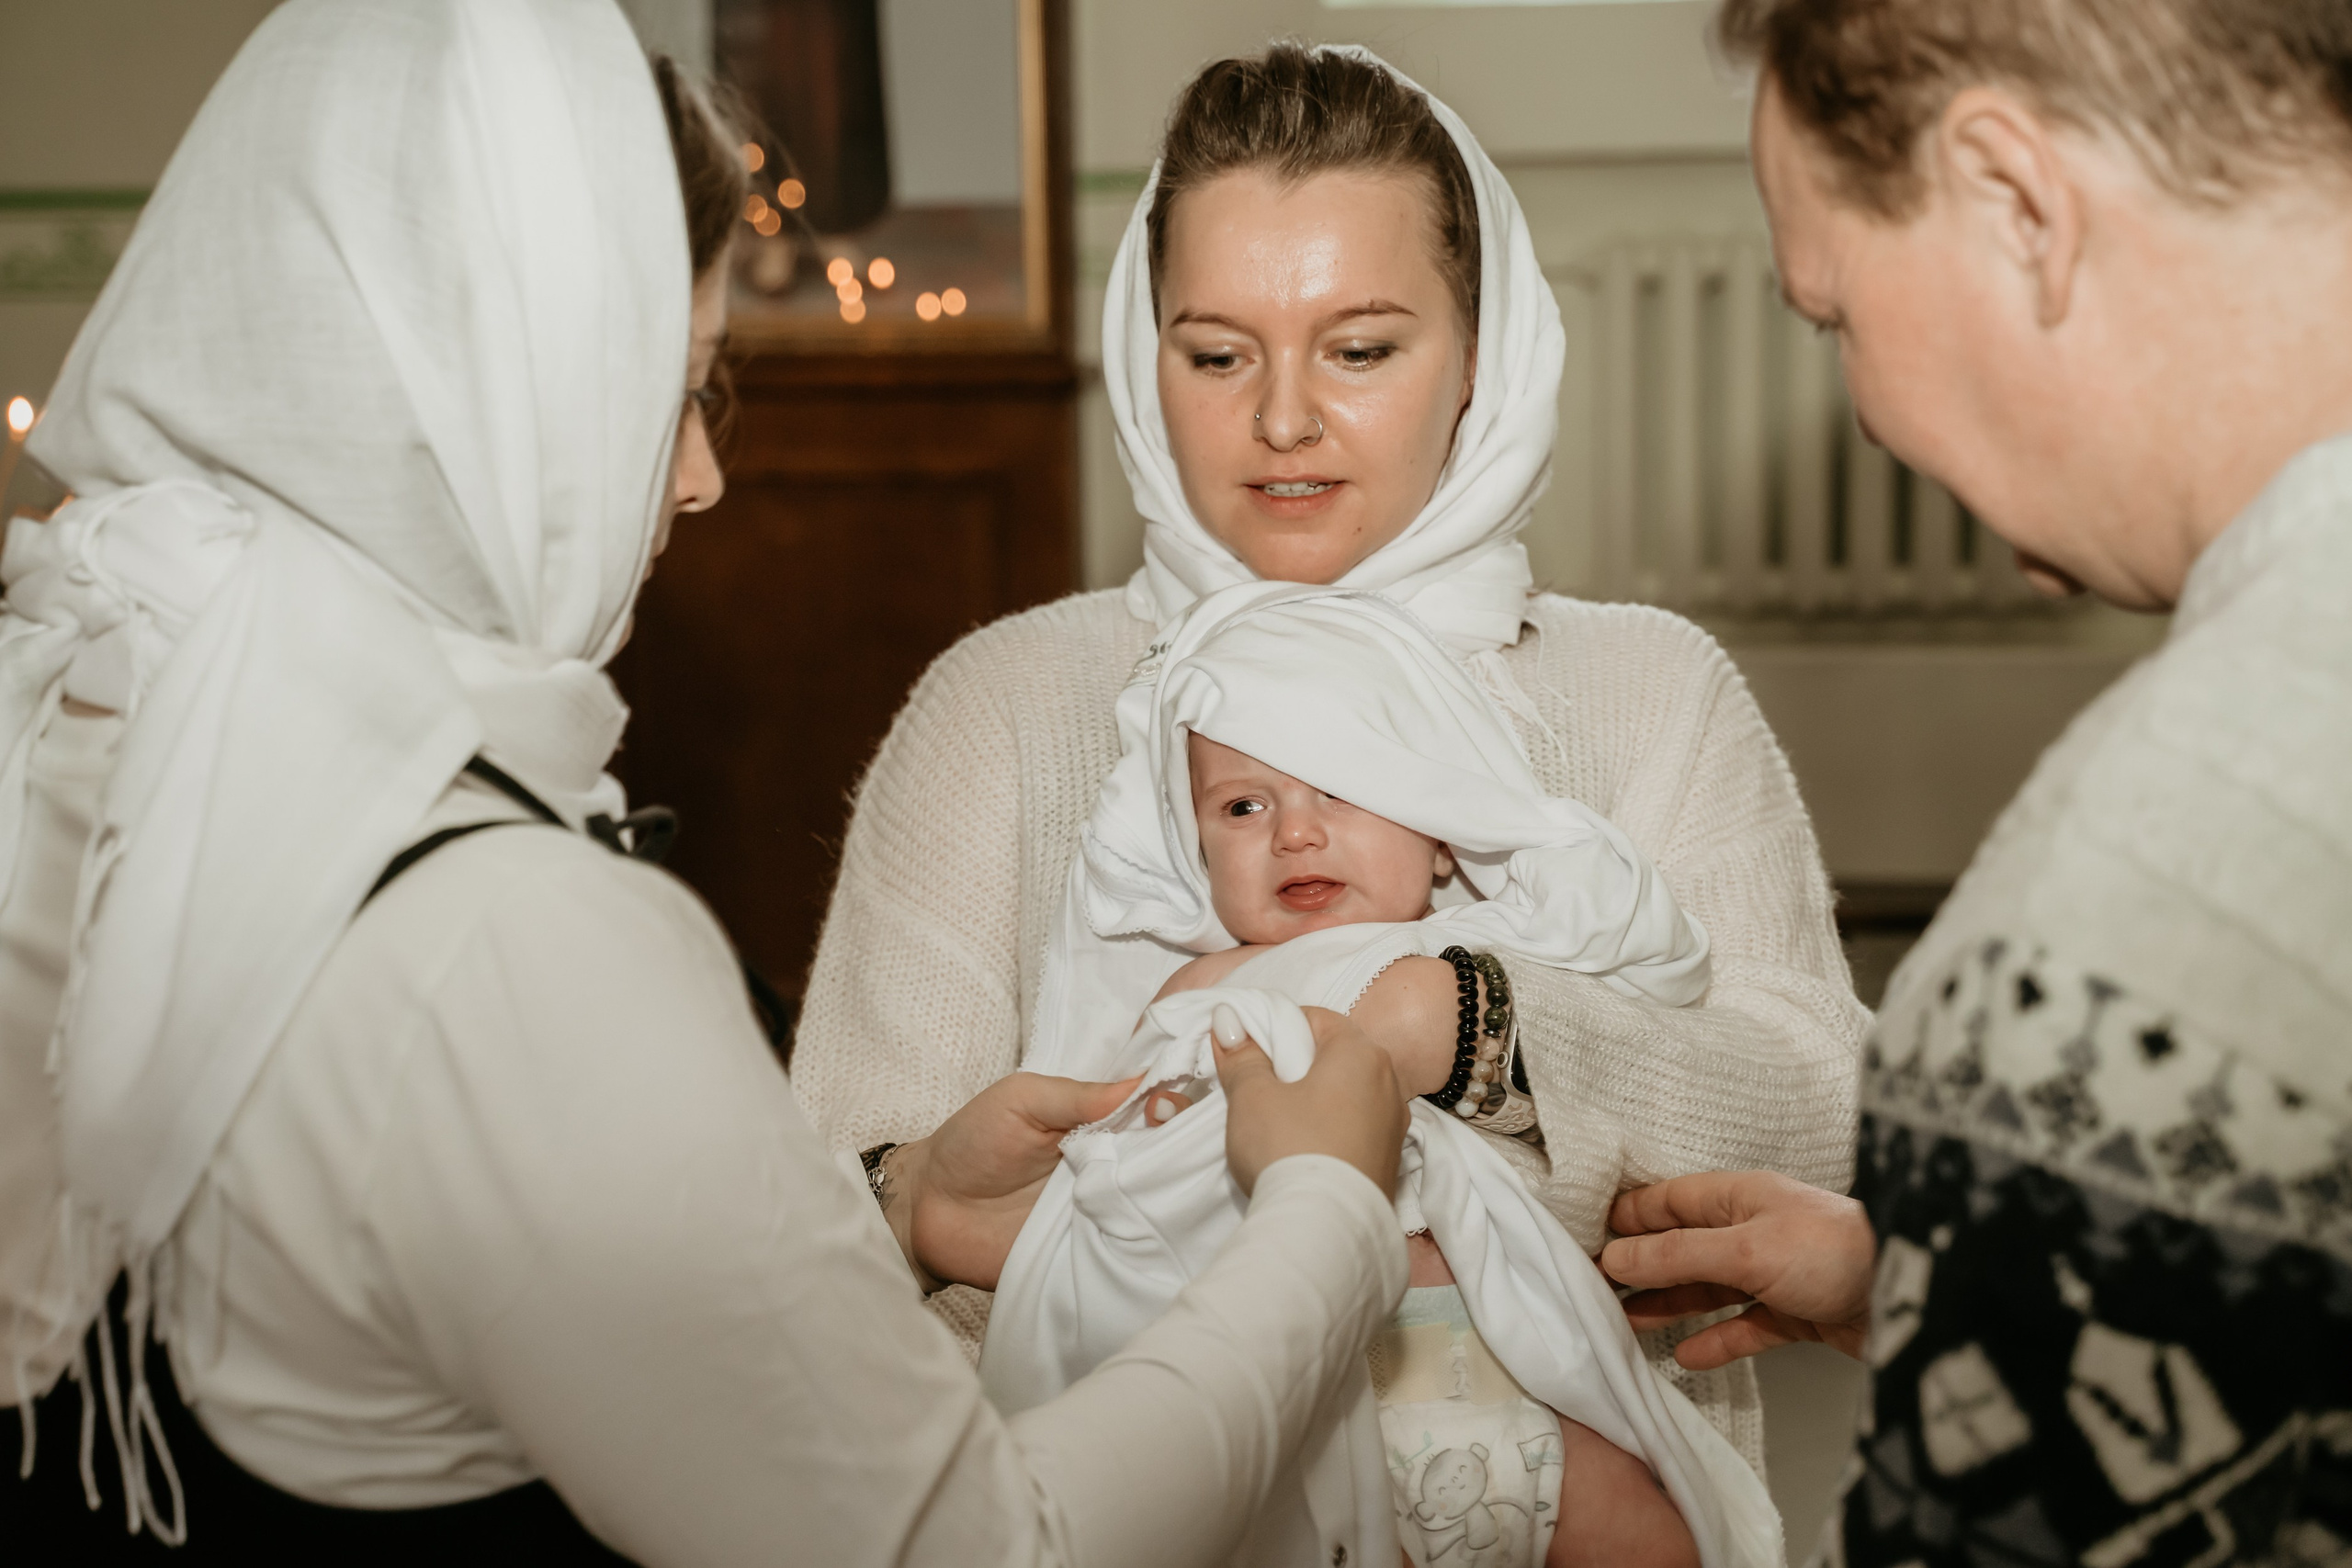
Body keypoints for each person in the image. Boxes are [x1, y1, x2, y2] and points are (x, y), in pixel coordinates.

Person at [0, 4, 1419, 1562]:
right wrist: (1322, 1217)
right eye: (668, 389)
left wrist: (888, 1206)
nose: (701, 473)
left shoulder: (81, 702)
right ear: (487, 397)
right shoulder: (509, 947)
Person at [791, 40, 1870, 1478]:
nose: (1283, 418)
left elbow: (1823, 1116)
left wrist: (1466, 1017)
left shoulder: (1649, 688)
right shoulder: (1002, 703)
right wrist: (923, 1196)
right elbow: (812, 1222)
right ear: (1141, 357)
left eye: (1359, 348)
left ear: (1479, 357)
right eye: (1217, 353)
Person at [1600, 1, 2352, 1563]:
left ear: (2019, 205)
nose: (1866, 410)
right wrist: (1965, 1285)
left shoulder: (2117, 927)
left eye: (1834, 314)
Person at [979, 583, 1776, 1568]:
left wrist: (1527, 829)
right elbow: (1131, 1152)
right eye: (1242, 805)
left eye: (1344, 788)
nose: (1295, 834)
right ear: (1192, 848)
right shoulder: (1197, 987)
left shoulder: (1469, 944)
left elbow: (1648, 945)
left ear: (1442, 826)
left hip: (1505, 1377)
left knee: (1658, 1543)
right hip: (1316, 1415)